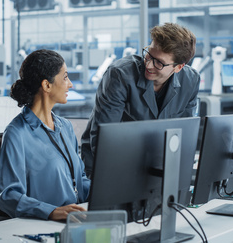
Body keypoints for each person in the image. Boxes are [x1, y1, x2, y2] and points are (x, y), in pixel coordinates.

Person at [81, 22, 200, 177]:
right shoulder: (120, 75)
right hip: (109, 162)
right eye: (148, 55)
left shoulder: (190, 81)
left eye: (159, 62)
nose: (149, 65)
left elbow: (185, 135)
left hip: (155, 166)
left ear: (178, 67)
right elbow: (104, 139)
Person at [0, 49, 91, 221]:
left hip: (76, 218)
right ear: (47, 85)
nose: (70, 84)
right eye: (65, 77)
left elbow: (79, 180)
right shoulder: (17, 134)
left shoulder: (66, 127)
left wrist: (108, 193)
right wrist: (51, 212)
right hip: (44, 224)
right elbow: (8, 196)